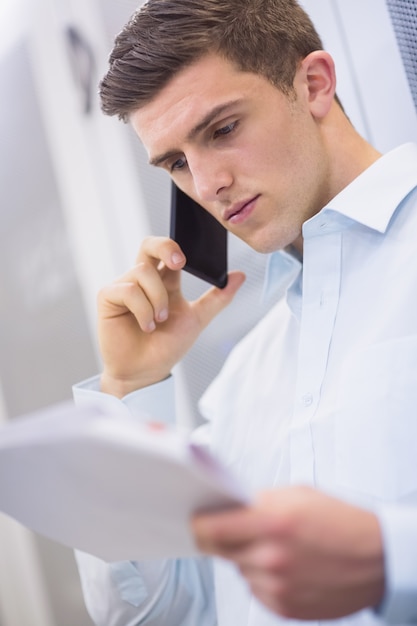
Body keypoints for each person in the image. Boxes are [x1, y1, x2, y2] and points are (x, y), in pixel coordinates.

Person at [72, 0, 417, 624]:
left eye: (222, 129)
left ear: (314, 84)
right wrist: (127, 388)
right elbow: (151, 612)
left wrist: (393, 557)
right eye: (176, 163)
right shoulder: (241, 385)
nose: (205, 185)